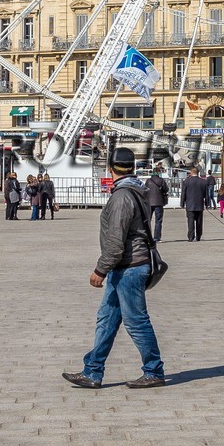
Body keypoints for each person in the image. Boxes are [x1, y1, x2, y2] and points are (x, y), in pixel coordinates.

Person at [63, 147, 166, 390]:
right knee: (107, 320)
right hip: (126, 267)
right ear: (132, 167)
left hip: (129, 267)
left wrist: (100, 269)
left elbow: (116, 240)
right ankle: (92, 371)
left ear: (111, 168)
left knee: (136, 322)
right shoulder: (138, 190)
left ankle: (154, 370)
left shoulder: (122, 197)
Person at [143, 167, 170, 244]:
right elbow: (166, 189)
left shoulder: (148, 181)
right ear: (159, 172)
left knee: (148, 220)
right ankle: (157, 237)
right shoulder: (161, 180)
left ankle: (147, 237)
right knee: (158, 221)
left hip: (149, 203)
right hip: (159, 202)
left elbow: (144, 190)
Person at [180, 168, 208, 242]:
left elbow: (183, 193)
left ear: (191, 172)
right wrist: (207, 204)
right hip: (199, 204)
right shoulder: (203, 182)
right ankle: (198, 236)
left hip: (190, 204)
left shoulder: (186, 181)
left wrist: (182, 203)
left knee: (190, 221)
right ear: (198, 172)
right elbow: (206, 194)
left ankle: (191, 237)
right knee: (199, 221)